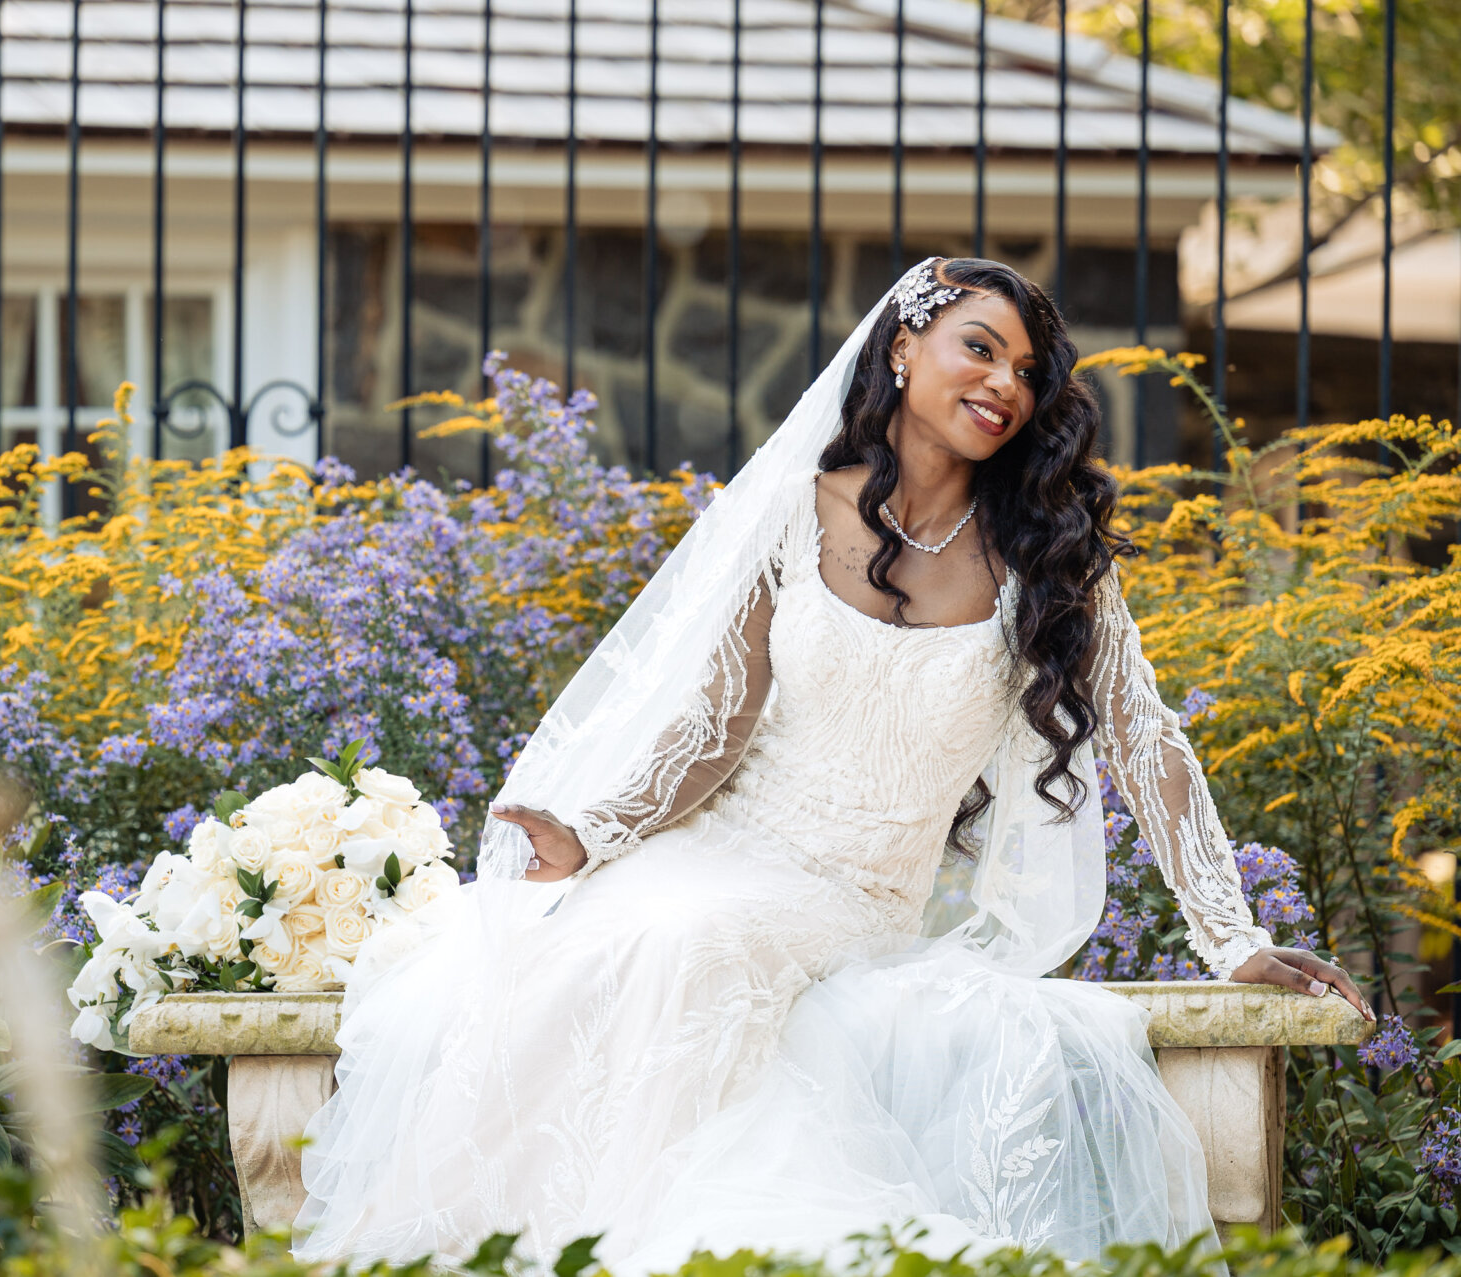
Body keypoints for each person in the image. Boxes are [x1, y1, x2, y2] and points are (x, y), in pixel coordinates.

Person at [291, 258, 1372, 1273]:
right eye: (979, 349)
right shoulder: (798, 512)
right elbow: (712, 730)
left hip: (849, 900)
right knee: (626, 932)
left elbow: (1146, 739)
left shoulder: (1050, 560)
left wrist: (1233, 938)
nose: (1004, 384)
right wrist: (597, 831)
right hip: (712, 851)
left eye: (1028, 373)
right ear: (904, 349)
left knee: (692, 936)